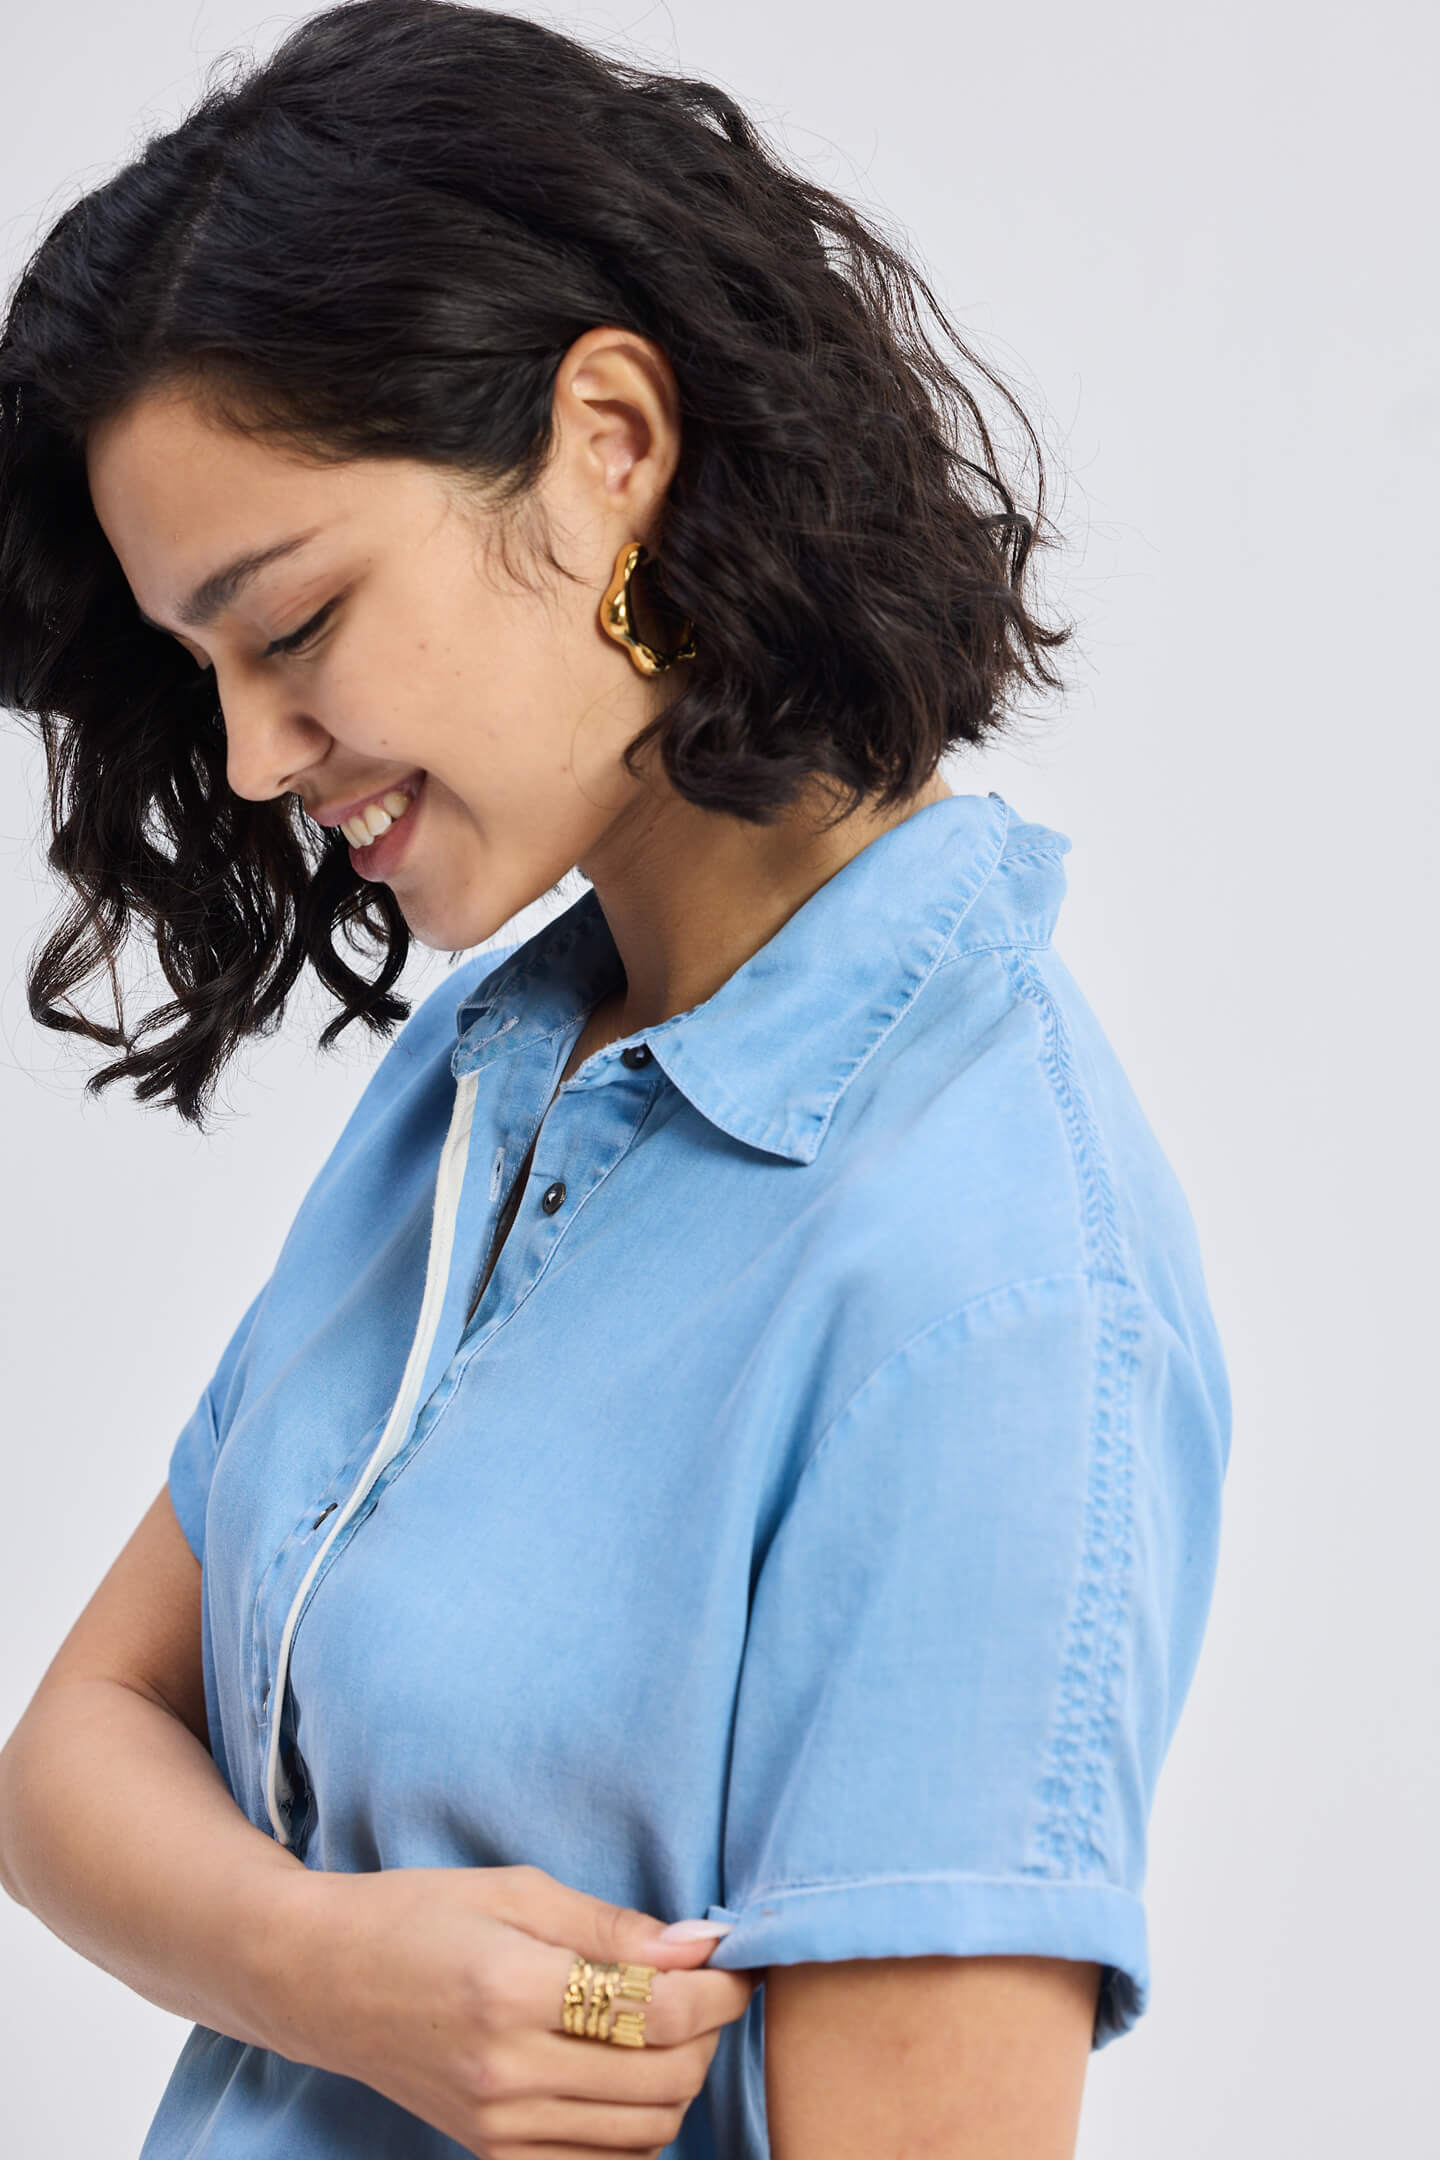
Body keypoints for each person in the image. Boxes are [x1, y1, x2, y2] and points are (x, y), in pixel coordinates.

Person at [0, 4, 1231, 2156]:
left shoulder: (989, 1279)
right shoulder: (509, 1059)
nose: (252, 762)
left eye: (288, 627)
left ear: (610, 441)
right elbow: (71, 1753)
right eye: (200, 672)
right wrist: (334, 1974)